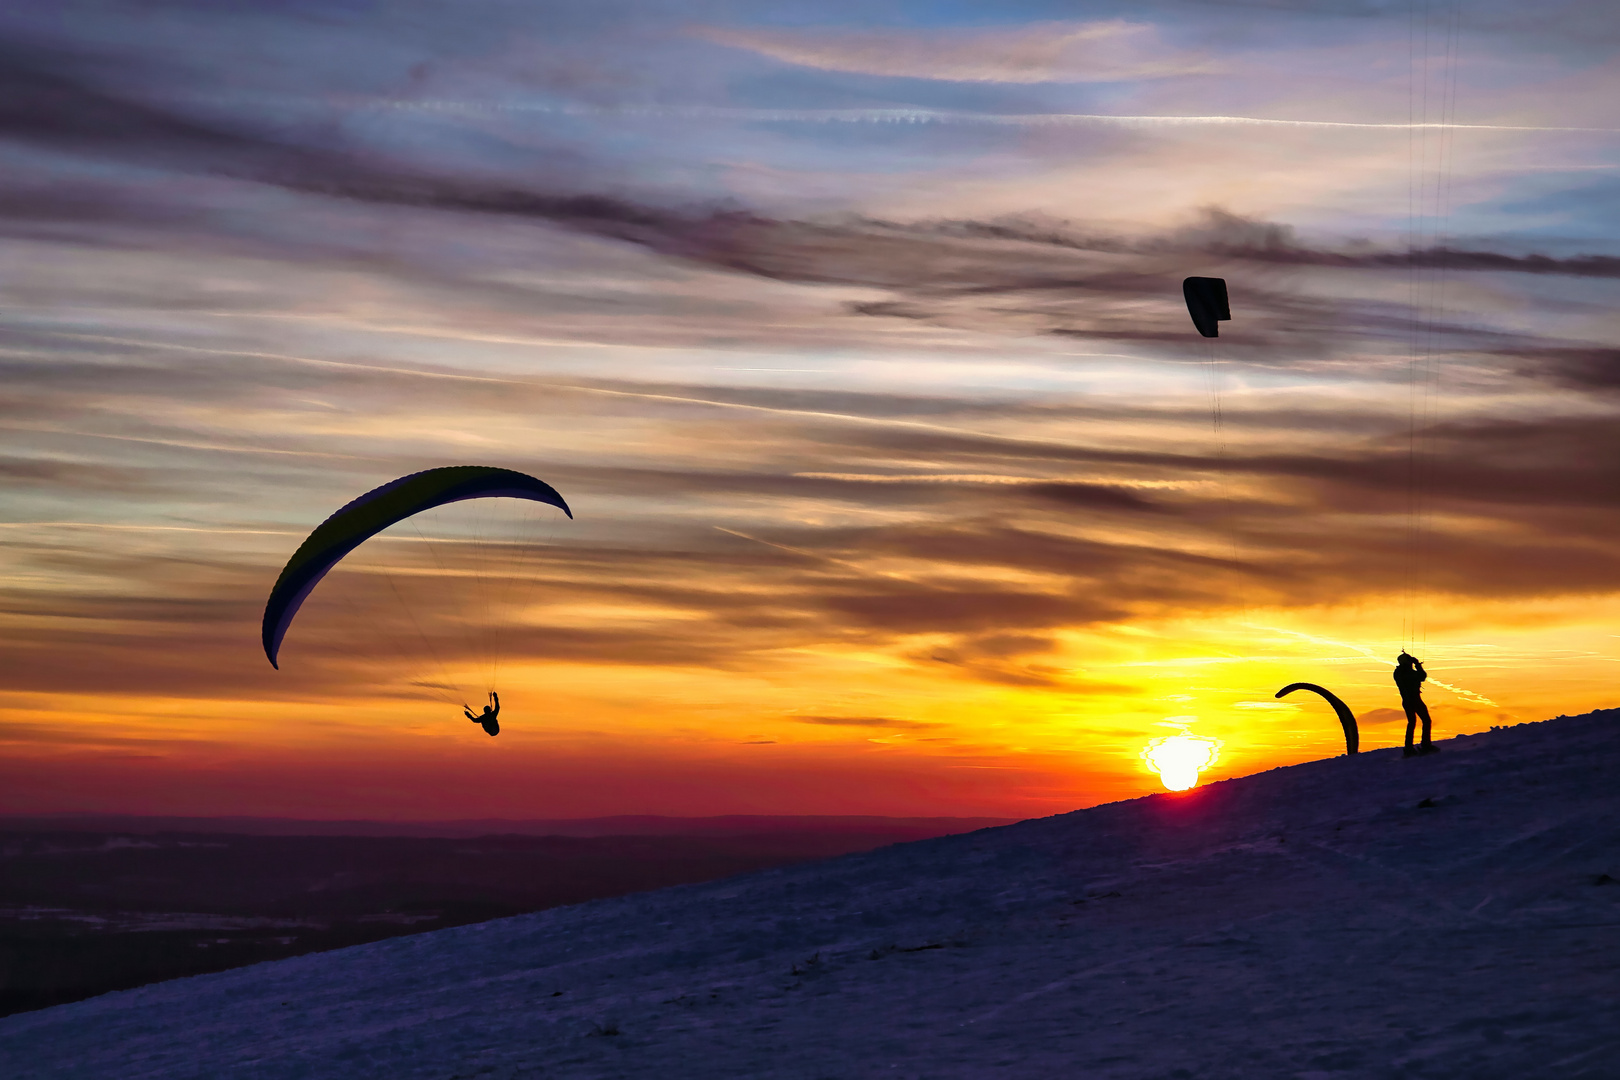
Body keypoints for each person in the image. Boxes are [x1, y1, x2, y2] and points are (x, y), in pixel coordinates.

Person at [1394, 653, 1434, 757]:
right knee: (1426, 720)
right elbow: (1422, 676)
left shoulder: (1398, 672)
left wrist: (1414, 664)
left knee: (1412, 722)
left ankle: (1409, 748)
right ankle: (1425, 745)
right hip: (1414, 699)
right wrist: (1417, 665)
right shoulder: (1407, 672)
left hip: (1407, 701)